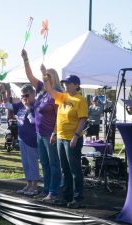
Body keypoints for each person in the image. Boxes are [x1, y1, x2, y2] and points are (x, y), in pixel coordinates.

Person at [41, 65, 88, 209]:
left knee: (74, 169)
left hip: (72, 138)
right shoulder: (63, 97)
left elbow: (83, 119)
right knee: (65, 169)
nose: (65, 85)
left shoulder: (80, 100)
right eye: (65, 83)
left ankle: (78, 198)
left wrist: (76, 136)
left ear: (76, 85)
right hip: (61, 137)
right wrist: (44, 74)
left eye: (68, 83)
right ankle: (66, 196)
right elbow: (50, 91)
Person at [21, 49, 61, 202]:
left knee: (53, 163)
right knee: (44, 162)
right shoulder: (40, 90)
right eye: (44, 76)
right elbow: (30, 76)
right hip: (39, 133)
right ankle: (46, 190)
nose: (44, 79)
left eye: (47, 77)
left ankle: (54, 191)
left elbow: (59, 115)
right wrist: (26, 59)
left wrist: (55, 132)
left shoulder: (56, 93)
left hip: (50, 133)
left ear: (53, 78)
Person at [2, 84, 40, 196]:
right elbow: (7, 105)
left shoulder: (36, 105)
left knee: (32, 162)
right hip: (21, 137)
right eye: (22, 96)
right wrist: (4, 93)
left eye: (26, 95)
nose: (24, 98)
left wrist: (28, 108)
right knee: (25, 163)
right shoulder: (20, 105)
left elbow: (34, 121)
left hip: (32, 138)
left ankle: (34, 185)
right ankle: (28, 184)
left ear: (33, 94)